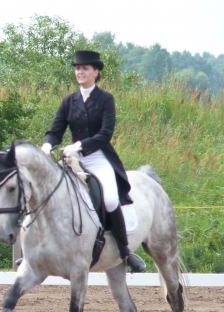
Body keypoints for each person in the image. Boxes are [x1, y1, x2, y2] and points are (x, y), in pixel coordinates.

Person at [42, 50, 146, 273]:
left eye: (85, 69)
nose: (80, 72)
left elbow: (105, 133)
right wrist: (47, 146)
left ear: (96, 73)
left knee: (109, 200)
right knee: (50, 194)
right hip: (73, 160)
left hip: (99, 157)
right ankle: (40, 250)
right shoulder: (69, 100)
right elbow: (55, 131)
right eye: (78, 68)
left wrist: (79, 145)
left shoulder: (105, 99)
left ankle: (125, 250)